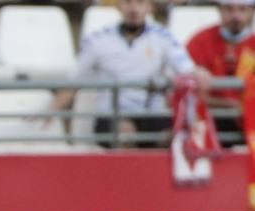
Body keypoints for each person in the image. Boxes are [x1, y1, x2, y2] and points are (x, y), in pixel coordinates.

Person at [44, 0, 199, 148]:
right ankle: (127, 174)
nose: (133, 9)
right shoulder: (97, 40)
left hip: (151, 114)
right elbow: (73, 81)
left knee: (173, 137)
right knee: (125, 132)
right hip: (112, 115)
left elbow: (188, 71)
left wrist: (200, 74)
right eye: (127, 2)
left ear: (150, 7)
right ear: (118, 5)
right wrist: (51, 111)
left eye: (140, 2)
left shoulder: (164, 38)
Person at [185, 0, 255, 146]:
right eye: (229, 9)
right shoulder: (200, 41)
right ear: (219, 10)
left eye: (242, 10)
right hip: (210, 120)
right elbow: (189, 92)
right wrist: (229, 104)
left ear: (251, 11)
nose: (236, 16)